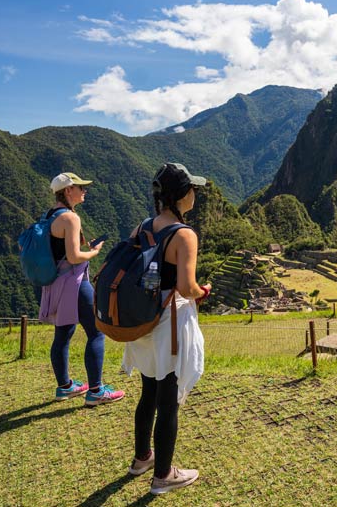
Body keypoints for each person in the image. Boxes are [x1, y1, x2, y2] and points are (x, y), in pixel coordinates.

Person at [122, 163, 210, 495]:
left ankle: (142, 458)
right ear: (181, 195)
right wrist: (203, 291)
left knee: (148, 391)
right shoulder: (184, 234)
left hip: (141, 321)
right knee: (169, 399)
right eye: (193, 190)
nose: (196, 195)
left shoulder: (142, 227)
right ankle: (163, 476)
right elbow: (187, 287)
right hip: (169, 324)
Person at [39, 172, 125, 406]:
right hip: (74, 282)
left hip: (55, 282)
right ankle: (96, 391)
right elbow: (74, 257)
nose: (84, 190)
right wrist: (95, 252)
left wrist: (85, 247)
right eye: (80, 187)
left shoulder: (50, 215)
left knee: (63, 334)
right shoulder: (70, 218)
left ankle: (65, 386)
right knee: (96, 332)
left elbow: (62, 250)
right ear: (68, 191)